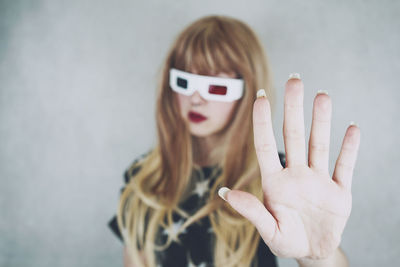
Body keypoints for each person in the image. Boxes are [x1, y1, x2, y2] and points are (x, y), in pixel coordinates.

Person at [108, 15, 360, 267]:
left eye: (215, 87)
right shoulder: (143, 177)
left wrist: (317, 255)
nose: (195, 99)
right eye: (184, 82)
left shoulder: (280, 176)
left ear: (247, 90)